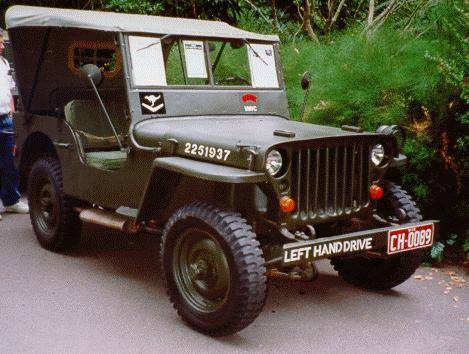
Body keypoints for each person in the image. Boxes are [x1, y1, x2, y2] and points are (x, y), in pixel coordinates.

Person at [0, 28, 29, 220]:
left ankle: (11, 201)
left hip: (5, 118)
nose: (2, 45)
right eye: (0, 42)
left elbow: (9, 90)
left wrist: (11, 110)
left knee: (10, 161)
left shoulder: (3, 62)